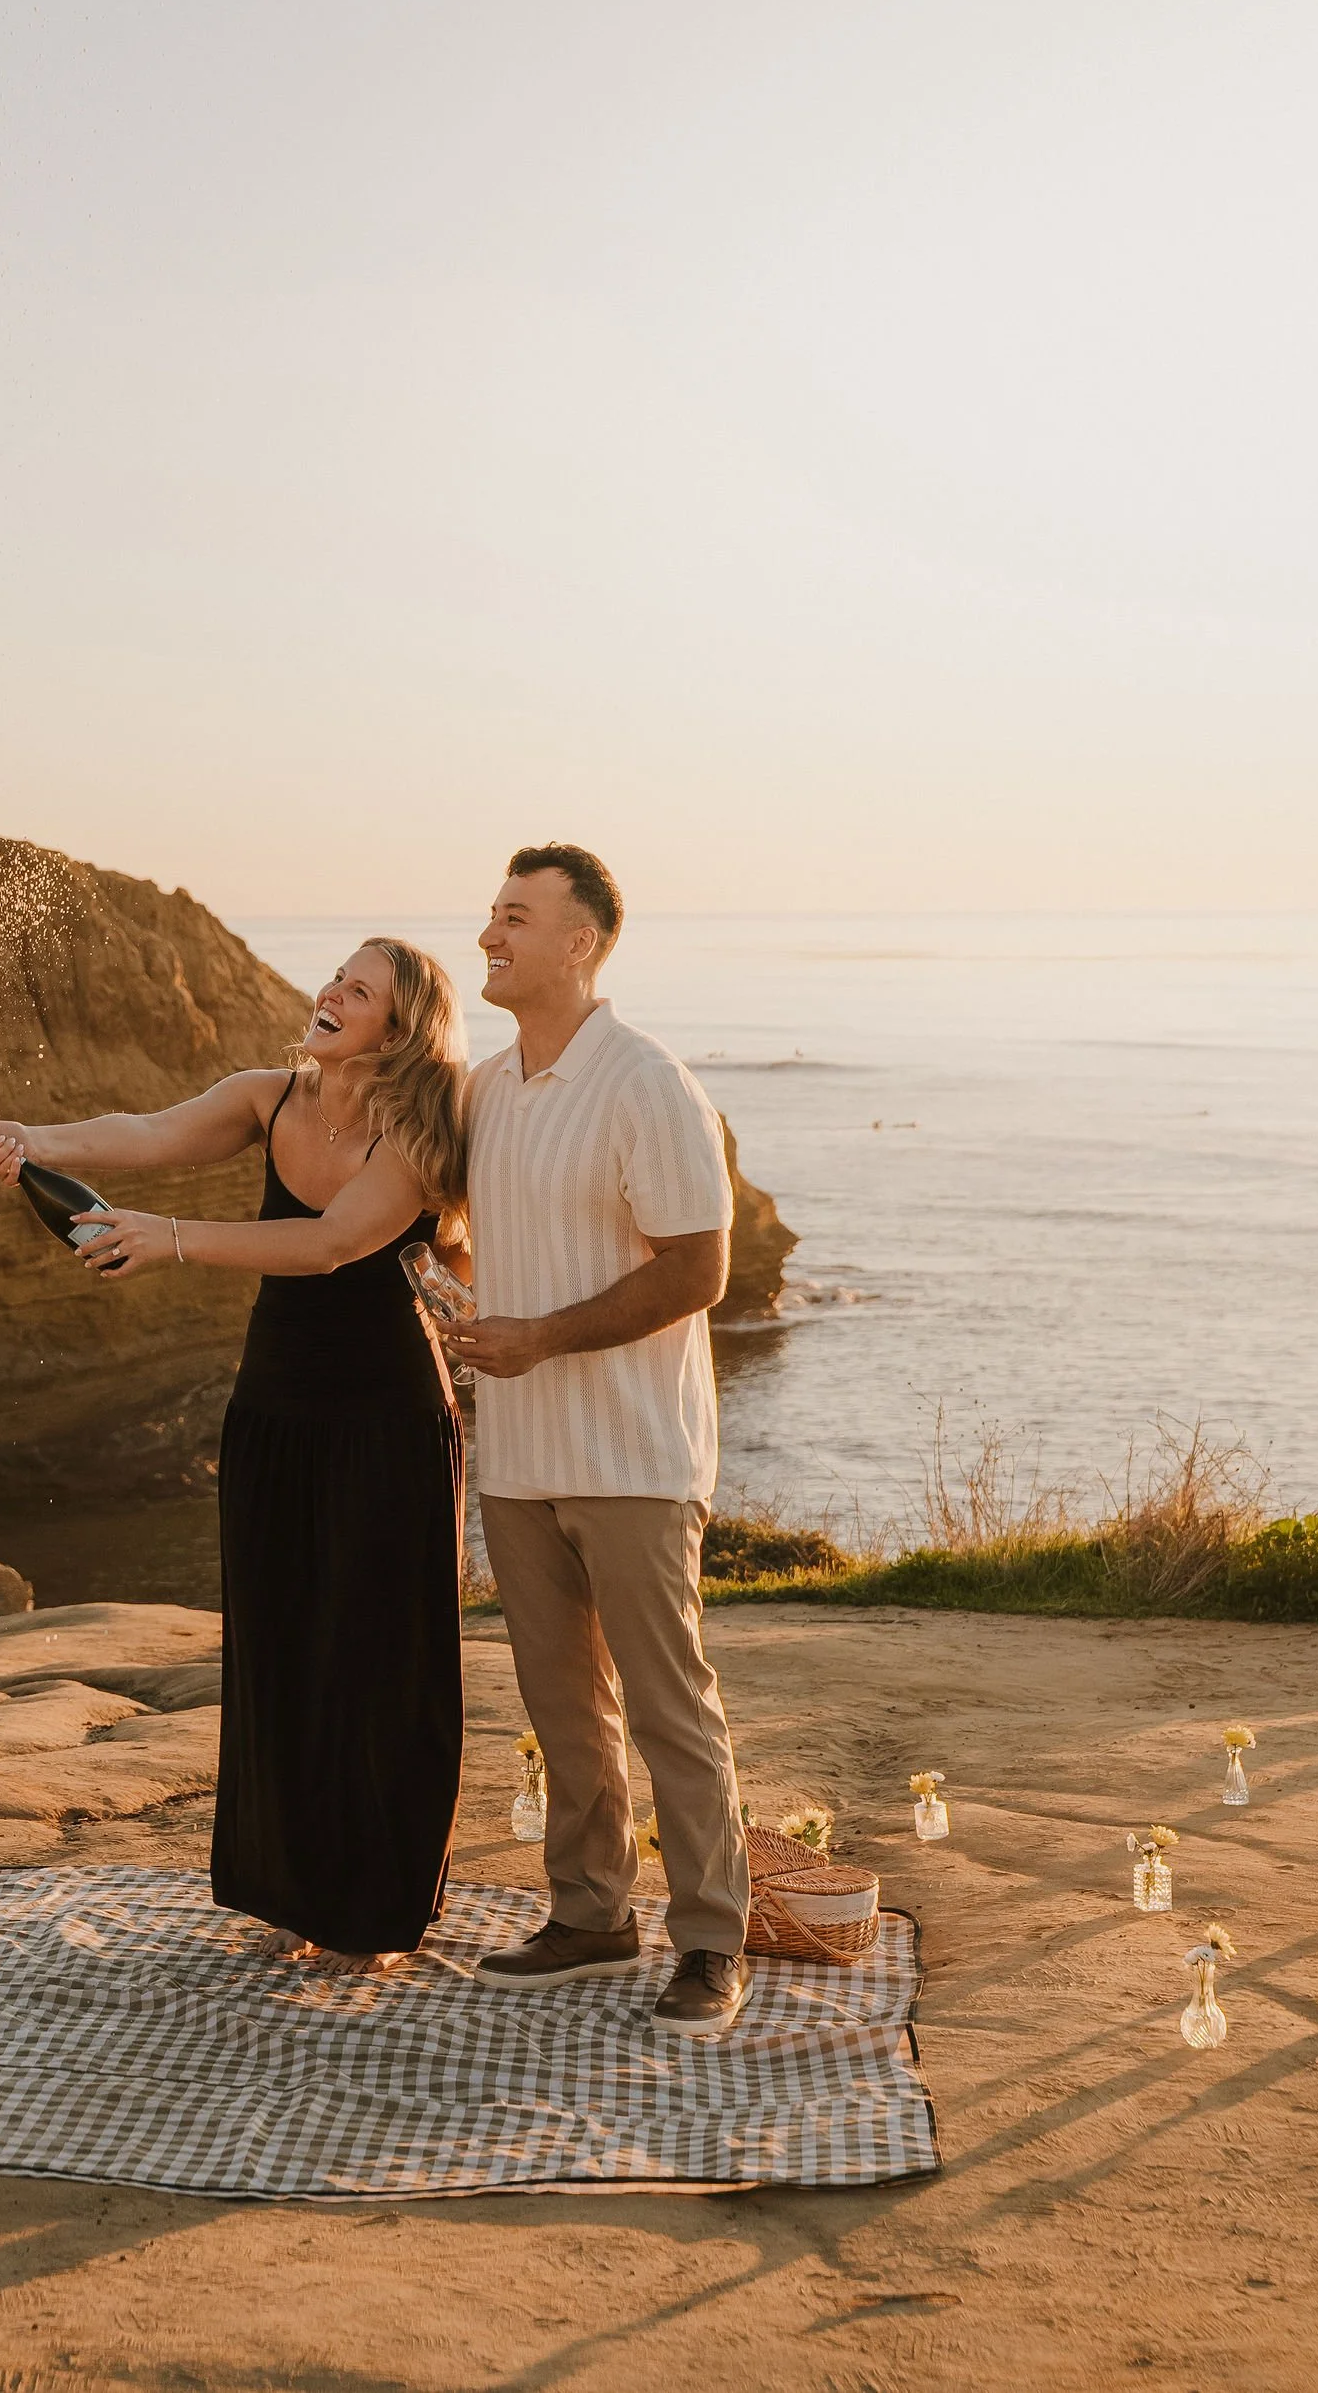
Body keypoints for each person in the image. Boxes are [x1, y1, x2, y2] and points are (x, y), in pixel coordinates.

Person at [0, 939, 468, 1965]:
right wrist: (33, 1135)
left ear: (401, 1025)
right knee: (279, 1643)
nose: (330, 992)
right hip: (273, 1405)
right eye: (336, 974)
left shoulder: (421, 1124)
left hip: (384, 1414)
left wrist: (170, 1237)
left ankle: (371, 1914)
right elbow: (148, 1131)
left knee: (373, 1656)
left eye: (359, 989)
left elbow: (332, 1241)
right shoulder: (268, 1094)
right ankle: (289, 1895)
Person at [444, 843, 753, 2035]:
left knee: (669, 1703)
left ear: (579, 942)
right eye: (489, 914)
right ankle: (587, 1913)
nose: (489, 934)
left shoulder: (647, 1083)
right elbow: (478, 1234)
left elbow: (701, 1267)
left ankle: (710, 1939)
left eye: (514, 917)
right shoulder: (482, 1088)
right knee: (563, 1706)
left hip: (632, 1454)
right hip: (518, 1453)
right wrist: (455, 1290)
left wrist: (544, 1336)